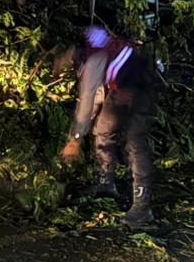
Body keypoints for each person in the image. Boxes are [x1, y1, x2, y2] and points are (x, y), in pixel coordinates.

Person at [59, 26, 159, 228]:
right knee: (103, 129)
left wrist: (75, 139)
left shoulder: (93, 60)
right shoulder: (102, 45)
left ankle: (142, 208)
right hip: (121, 90)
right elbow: (98, 99)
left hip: (142, 91)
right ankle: (106, 183)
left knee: (135, 143)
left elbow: (88, 100)